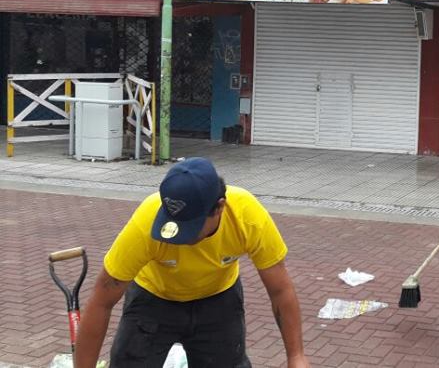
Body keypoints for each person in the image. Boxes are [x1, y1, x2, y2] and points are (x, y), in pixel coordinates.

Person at [73, 157, 309, 368]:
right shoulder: (146, 222)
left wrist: (296, 356)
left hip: (218, 299)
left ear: (219, 207)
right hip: (153, 299)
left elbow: (280, 290)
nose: (178, 238)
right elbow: (102, 300)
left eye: (190, 228)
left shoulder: (247, 217)